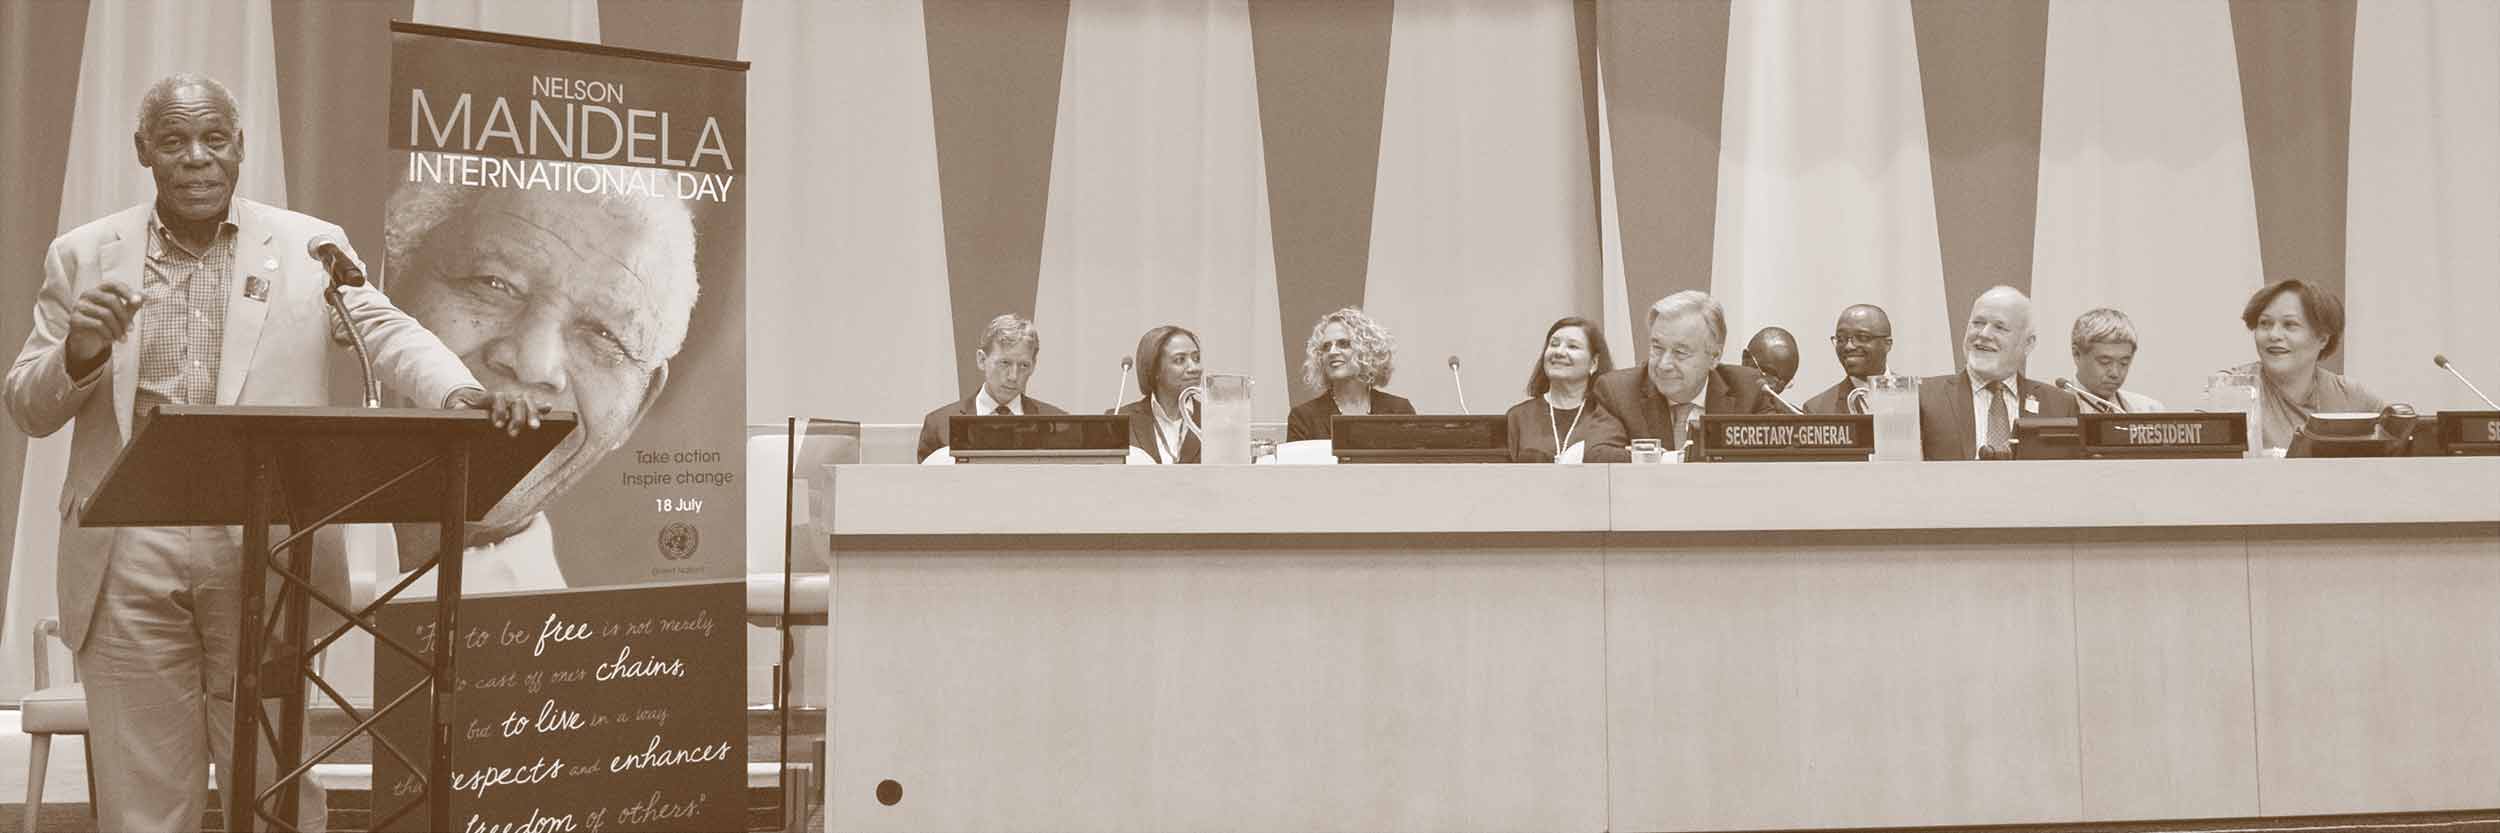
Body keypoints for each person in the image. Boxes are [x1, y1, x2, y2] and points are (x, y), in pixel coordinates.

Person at [2, 74, 542, 833]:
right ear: (142, 153)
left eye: (213, 139)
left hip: (266, 542)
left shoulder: (308, 245)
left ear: (240, 147)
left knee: (276, 783)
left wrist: (458, 394)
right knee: (142, 799)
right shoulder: (84, 255)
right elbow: (27, 403)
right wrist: (80, 350)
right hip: (126, 543)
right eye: (174, 142)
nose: (196, 159)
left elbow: (384, 329)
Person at [381, 167, 703, 593]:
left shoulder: (581, 655)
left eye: (604, 333)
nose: (533, 364)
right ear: (386, 289)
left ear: (637, 408)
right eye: (494, 284)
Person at [1590, 291, 1785, 453]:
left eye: (1680, 352)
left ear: (1714, 356)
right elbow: (1597, 454)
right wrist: (1669, 461)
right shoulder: (1618, 392)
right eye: (1657, 348)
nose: (1664, 364)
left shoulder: (1748, 389)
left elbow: (1782, 450)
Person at [1918, 285, 2078, 460]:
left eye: (2000, 327)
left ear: (2028, 344)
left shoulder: (2060, 406)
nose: (1985, 334)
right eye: (1977, 323)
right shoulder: (1924, 397)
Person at [2233, 279, 2383, 449]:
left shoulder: (2351, 396)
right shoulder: (2231, 388)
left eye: (2290, 325)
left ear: (2323, 339)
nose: (2274, 335)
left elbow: (2403, 452)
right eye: (2265, 324)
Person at [915, 314, 1068, 461]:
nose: (1013, 376)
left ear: (1033, 366)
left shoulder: (1060, 425)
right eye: (1005, 363)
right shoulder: (939, 425)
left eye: (1023, 365)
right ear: (982, 360)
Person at [1505, 316, 1630, 463]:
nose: (1559, 352)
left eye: (1572, 346)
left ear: (1594, 363)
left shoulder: (1608, 416)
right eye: (1554, 344)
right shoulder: (1518, 416)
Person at [1286, 307, 1414, 441]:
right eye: (1326, 347)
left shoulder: (1399, 411)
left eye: (1343, 344)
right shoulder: (1304, 418)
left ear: (1367, 351)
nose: (1332, 352)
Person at [1114, 325, 1203, 463]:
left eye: (1196, 358)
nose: (1195, 368)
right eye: (1180, 360)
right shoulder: (1120, 420)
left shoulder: (1215, 419)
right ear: (1154, 370)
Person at [2069, 307, 2164, 413]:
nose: (2115, 373)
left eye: (2124, 363)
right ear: (2077, 354)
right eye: (2105, 362)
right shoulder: (2052, 409)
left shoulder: (2149, 410)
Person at [1803, 304, 1892, 415]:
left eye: (1862, 337)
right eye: (1841, 339)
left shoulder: (1917, 397)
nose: (1848, 346)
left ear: (1887, 344)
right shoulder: (1817, 410)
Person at [1740, 326, 1800, 394]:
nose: (1773, 388)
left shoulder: (1782, 404)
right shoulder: (1726, 401)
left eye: (1784, 383)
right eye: (1769, 374)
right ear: (1746, 360)